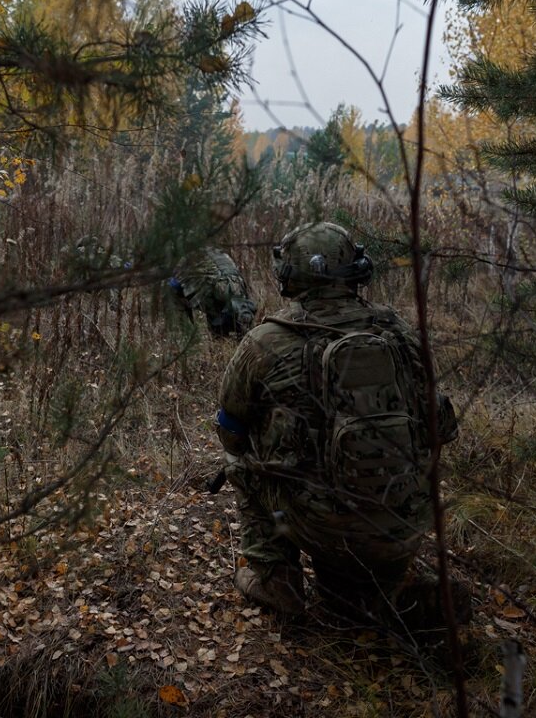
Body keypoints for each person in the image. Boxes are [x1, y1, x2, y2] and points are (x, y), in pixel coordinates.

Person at [214, 222, 458, 621]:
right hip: (403, 516)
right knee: (347, 601)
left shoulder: (266, 341)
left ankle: (276, 579)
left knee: (240, 467)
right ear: (357, 268)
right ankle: (388, 590)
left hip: (321, 522)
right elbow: (438, 426)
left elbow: (230, 428)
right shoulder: (398, 332)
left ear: (291, 274)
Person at [169, 247, 257, 337]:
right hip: (237, 286)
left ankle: (183, 336)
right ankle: (233, 330)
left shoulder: (186, 258)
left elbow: (174, 284)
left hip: (217, 291)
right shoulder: (219, 252)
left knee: (173, 289)